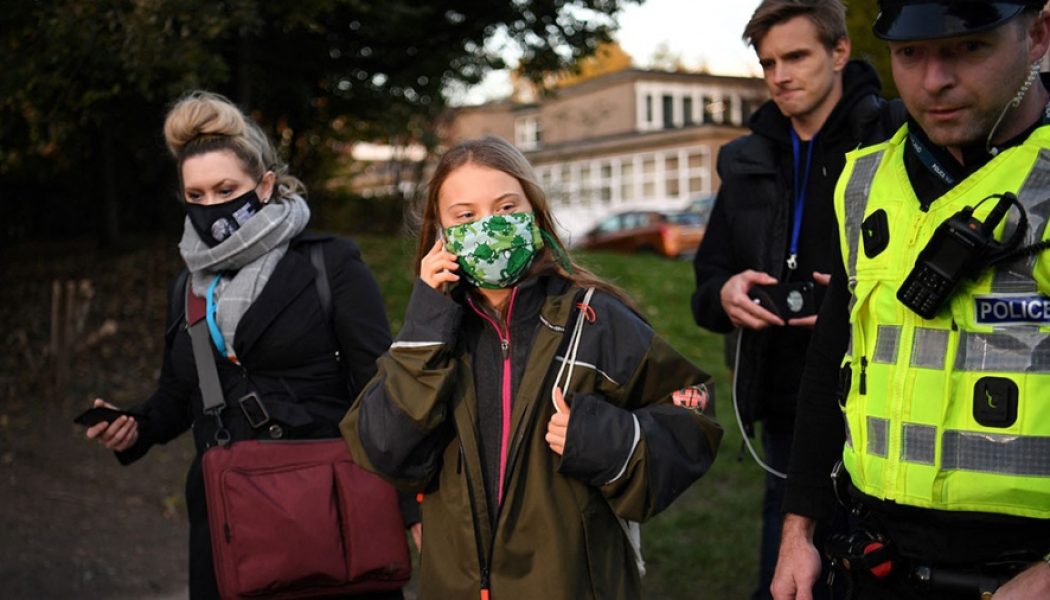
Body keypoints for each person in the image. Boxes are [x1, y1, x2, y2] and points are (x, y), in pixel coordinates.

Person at [340, 135, 723, 599]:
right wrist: (426, 321)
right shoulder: (430, 333)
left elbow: (693, 408)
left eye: (506, 208)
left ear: (534, 213)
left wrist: (608, 440)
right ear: (441, 233)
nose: (490, 226)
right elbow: (384, 448)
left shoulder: (594, 318)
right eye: (466, 216)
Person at [82, 91, 417, 599]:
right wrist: (135, 428)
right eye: (196, 196)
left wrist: (411, 504)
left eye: (225, 189)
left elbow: (381, 391)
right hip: (229, 519)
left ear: (263, 185)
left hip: (327, 505)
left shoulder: (329, 263)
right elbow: (179, 397)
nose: (211, 207)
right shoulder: (189, 286)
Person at [772, 1, 1050, 598]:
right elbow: (830, 363)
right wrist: (798, 530)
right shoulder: (864, 180)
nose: (934, 82)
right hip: (877, 560)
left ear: (1037, 36)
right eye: (910, 54)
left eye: (968, 48)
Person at [690, 1, 903, 598]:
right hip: (783, 399)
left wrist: (858, 299)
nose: (780, 74)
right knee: (785, 577)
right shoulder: (744, 158)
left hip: (883, 397)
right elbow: (706, 286)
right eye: (767, 62)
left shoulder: (895, 135)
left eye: (797, 56)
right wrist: (727, 293)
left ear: (839, 52)